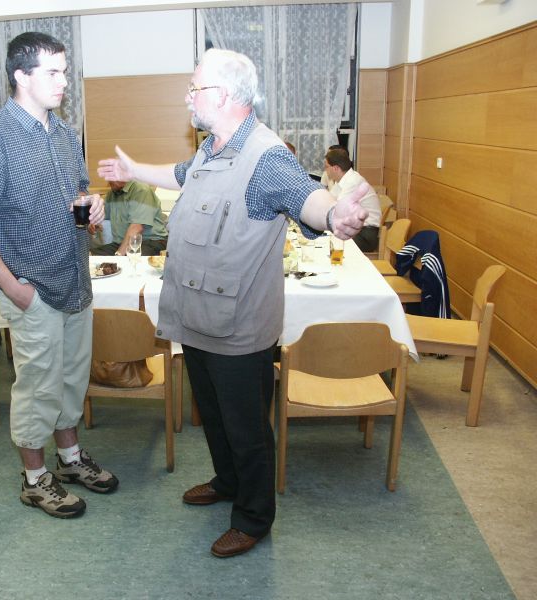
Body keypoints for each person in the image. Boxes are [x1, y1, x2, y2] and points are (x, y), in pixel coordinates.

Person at [98, 48, 367, 558]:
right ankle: (227, 481)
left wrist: (335, 216)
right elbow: (181, 174)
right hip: (199, 316)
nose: (188, 97)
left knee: (247, 429)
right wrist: (134, 168)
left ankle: (254, 517)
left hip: (239, 326)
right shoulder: (212, 148)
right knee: (217, 417)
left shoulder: (266, 156)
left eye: (194, 88)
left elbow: (306, 196)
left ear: (221, 95)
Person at [0, 31, 118, 520]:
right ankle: (34, 480)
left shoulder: (63, 133)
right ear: (20, 76)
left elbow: (77, 193)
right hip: (32, 288)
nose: (64, 81)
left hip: (75, 281)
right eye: (53, 72)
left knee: (70, 381)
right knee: (38, 389)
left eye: (65, 71)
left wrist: (92, 204)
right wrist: (14, 288)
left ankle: (69, 458)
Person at [323, 148, 382, 252]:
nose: (325, 170)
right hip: (356, 230)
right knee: (324, 240)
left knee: (328, 244)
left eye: (326, 167)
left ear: (336, 168)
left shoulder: (353, 181)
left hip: (365, 235)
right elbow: (328, 202)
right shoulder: (342, 181)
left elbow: (337, 211)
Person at [90, 180, 168, 256]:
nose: (108, 180)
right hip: (121, 243)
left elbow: (136, 228)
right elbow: (102, 215)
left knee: (129, 260)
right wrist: (94, 222)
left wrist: (119, 256)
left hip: (151, 242)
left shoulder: (141, 190)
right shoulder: (112, 193)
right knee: (90, 258)